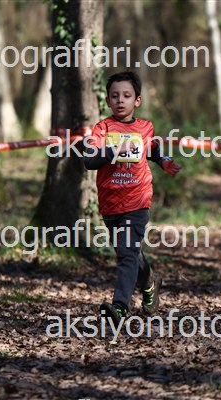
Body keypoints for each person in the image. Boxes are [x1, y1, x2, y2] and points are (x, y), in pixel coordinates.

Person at [83, 71, 181, 324]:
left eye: (126, 95)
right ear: (107, 100)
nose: (120, 100)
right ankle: (150, 282)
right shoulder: (102, 129)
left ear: (137, 100)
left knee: (126, 254)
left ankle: (119, 307)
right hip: (110, 203)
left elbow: (153, 149)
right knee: (130, 252)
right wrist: (115, 149)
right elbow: (90, 160)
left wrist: (165, 161)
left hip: (137, 200)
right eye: (115, 96)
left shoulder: (145, 127)